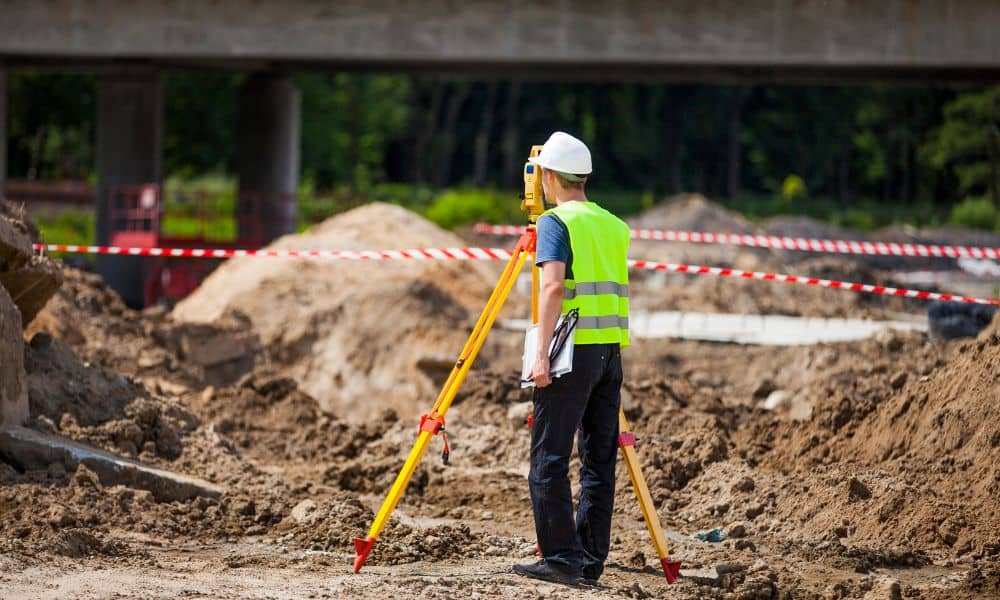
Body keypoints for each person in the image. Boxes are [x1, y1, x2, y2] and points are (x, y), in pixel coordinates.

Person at [512, 131, 631, 587]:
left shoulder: (555, 222)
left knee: (549, 458)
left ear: (547, 176)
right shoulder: (614, 225)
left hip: (570, 353)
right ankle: (588, 559)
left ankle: (561, 558)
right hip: (609, 353)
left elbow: (553, 287)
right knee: (599, 461)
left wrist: (541, 353)